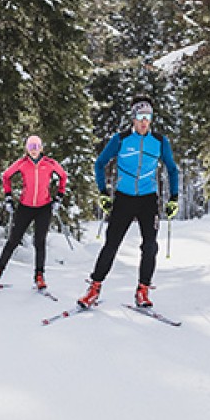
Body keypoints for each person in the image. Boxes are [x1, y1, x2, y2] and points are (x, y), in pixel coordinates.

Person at [78, 95, 179, 308]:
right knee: (111, 244)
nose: (144, 121)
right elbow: (100, 164)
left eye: (148, 116)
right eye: (140, 116)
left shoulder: (159, 141)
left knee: (150, 246)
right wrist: (103, 193)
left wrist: (174, 198)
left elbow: (171, 168)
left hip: (148, 199)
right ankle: (94, 288)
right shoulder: (121, 139)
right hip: (123, 198)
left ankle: (143, 290)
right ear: (133, 118)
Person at [0, 135, 67, 291]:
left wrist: (59, 197)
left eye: (36, 147)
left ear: (41, 148)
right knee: (13, 240)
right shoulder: (22, 163)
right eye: (31, 147)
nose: (33, 150)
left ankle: (39, 276)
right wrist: (8, 198)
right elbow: (6, 176)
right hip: (25, 207)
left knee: (39, 242)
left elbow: (63, 176)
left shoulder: (49, 163)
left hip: (44, 207)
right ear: (27, 149)